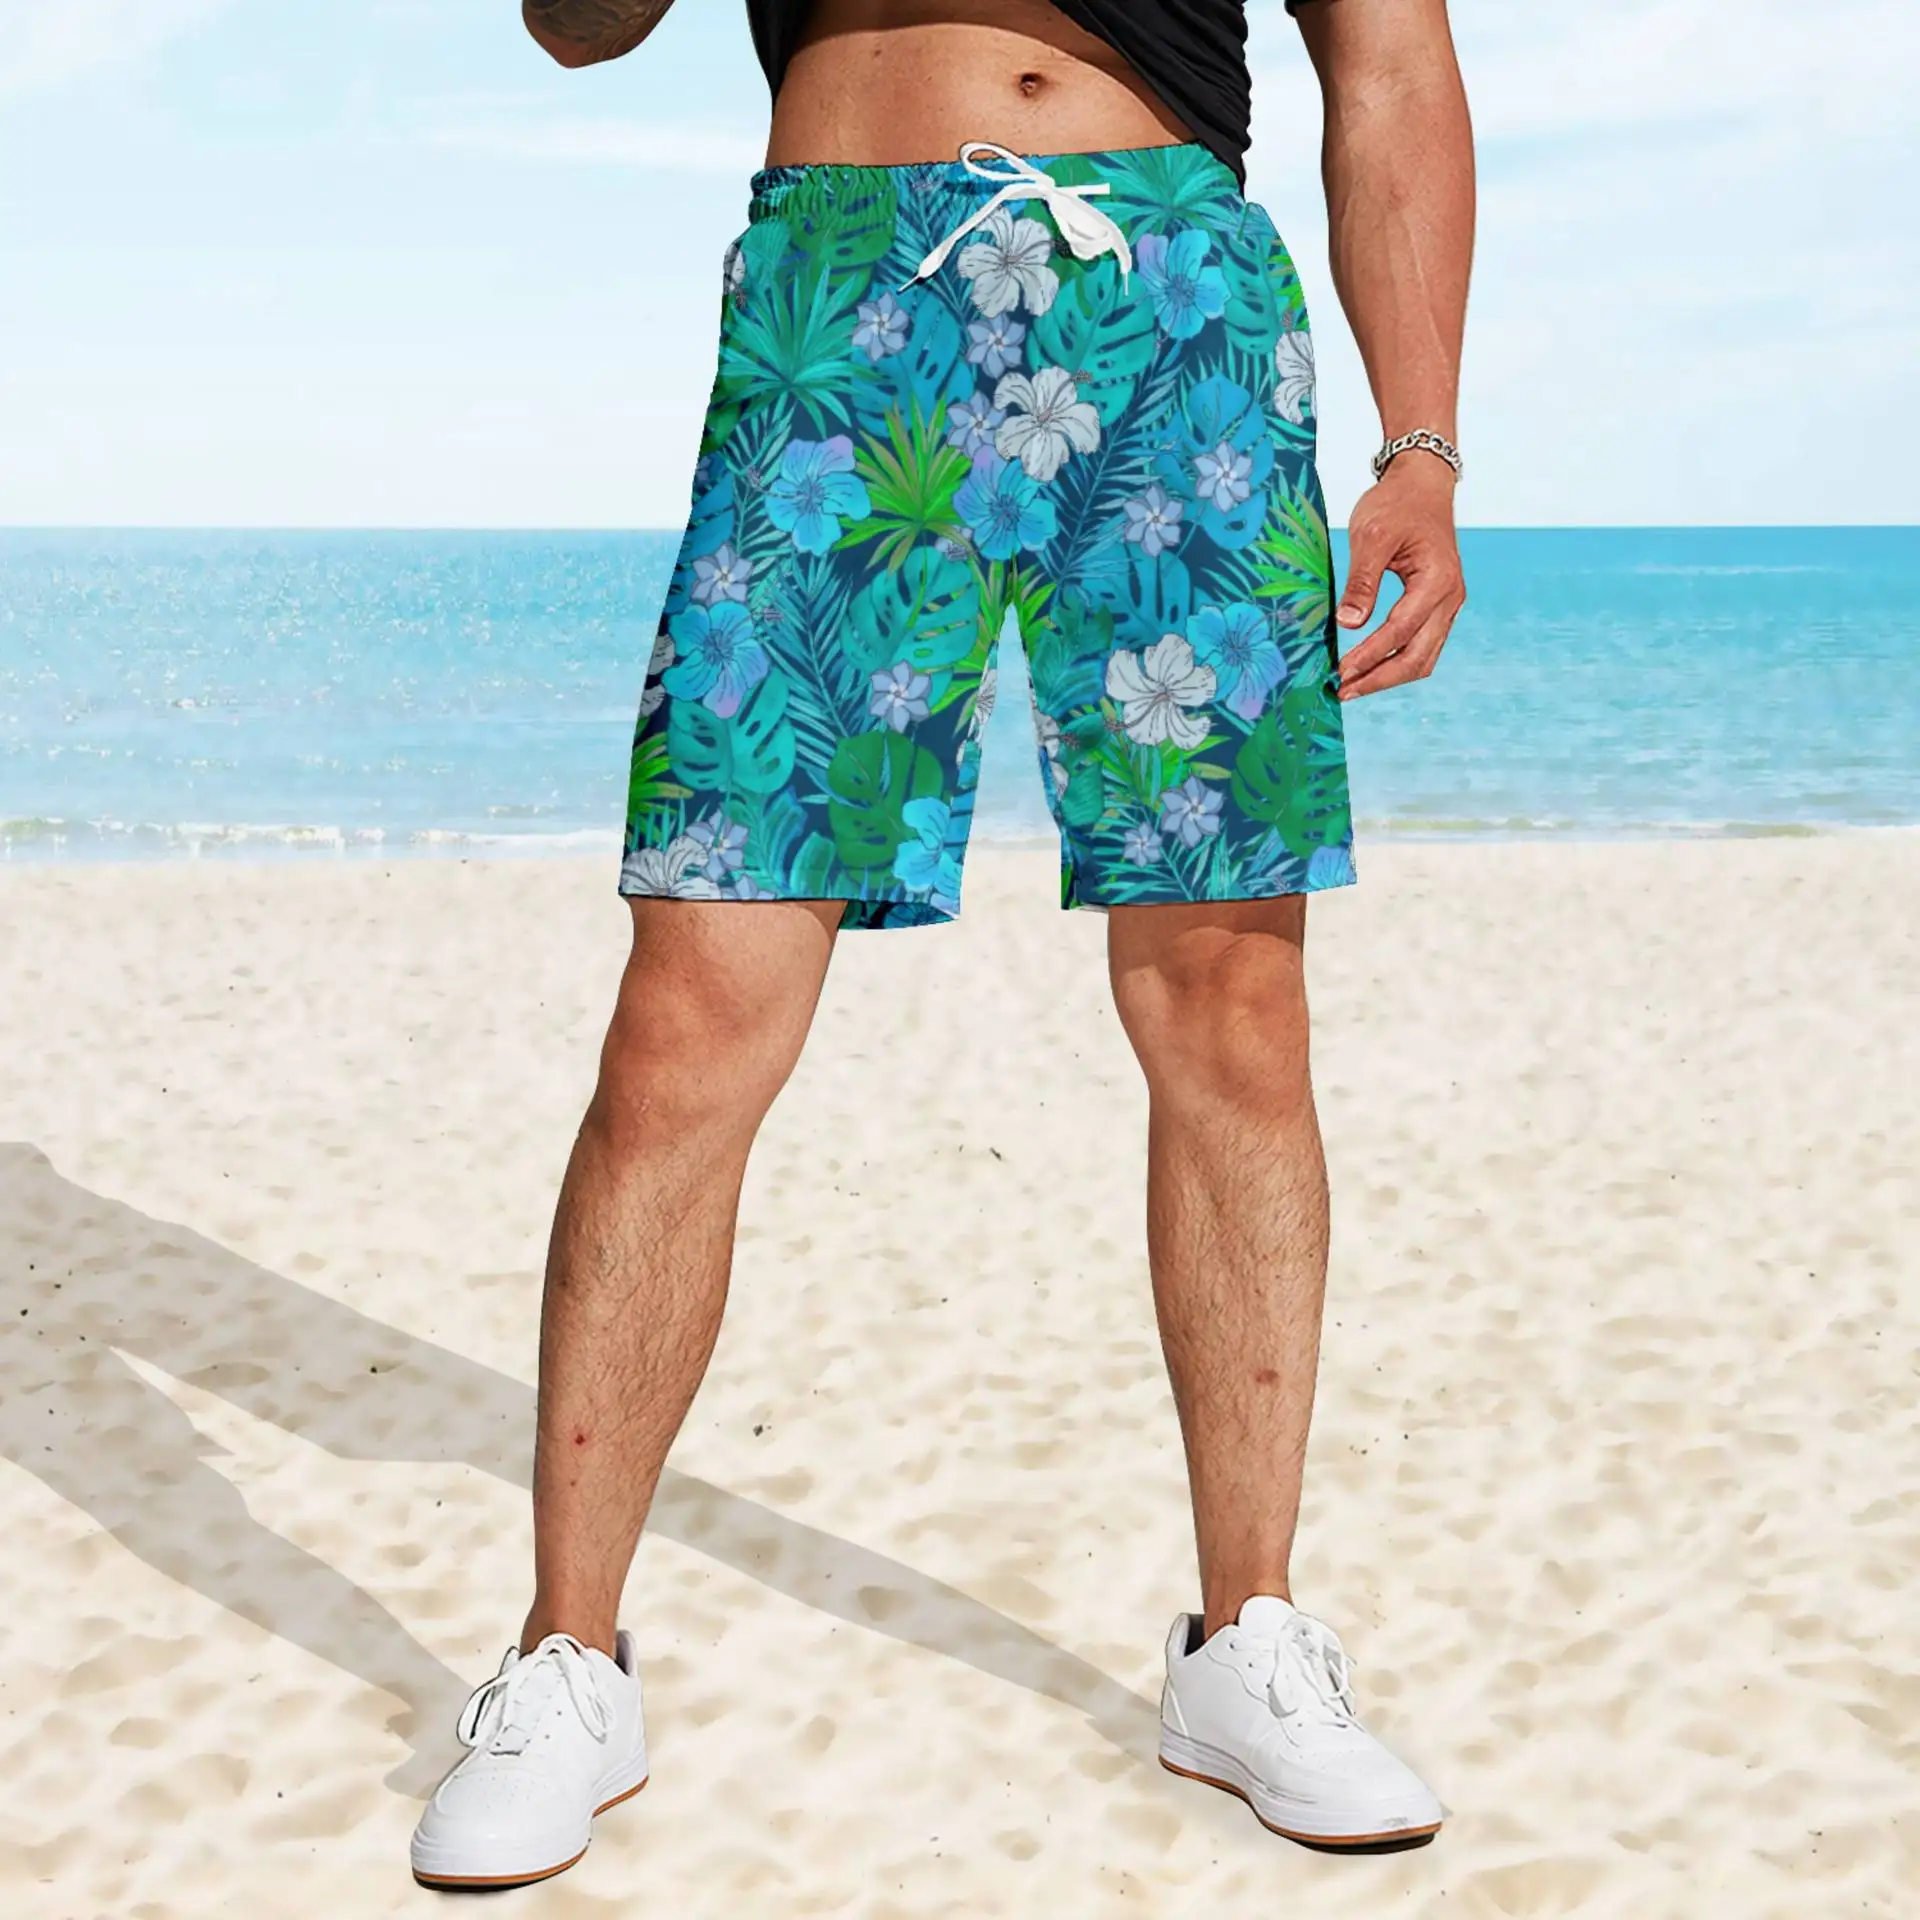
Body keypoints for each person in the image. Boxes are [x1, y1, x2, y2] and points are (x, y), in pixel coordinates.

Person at [409, 0, 1471, 1890]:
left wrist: (1424, 445)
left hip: (1173, 309)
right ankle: (569, 1660)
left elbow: (1386, 58)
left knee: (1230, 1003)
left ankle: (1245, 1638)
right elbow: (578, 29)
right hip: (846, 309)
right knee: (690, 1011)